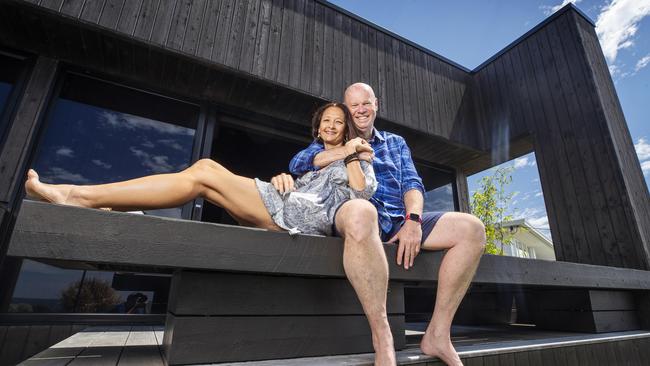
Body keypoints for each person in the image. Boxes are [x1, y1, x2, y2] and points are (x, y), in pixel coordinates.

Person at [281, 83, 486, 366]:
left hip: (399, 221)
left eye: (366, 103)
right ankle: (383, 339)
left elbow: (412, 185)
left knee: (472, 229)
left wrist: (413, 221)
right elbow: (299, 162)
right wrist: (346, 151)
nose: (361, 110)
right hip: (359, 217)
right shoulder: (335, 137)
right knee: (361, 213)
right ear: (346, 109)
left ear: (376, 104)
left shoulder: (395, 142)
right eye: (354, 105)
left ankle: (438, 333)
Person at [24, 102, 376, 237]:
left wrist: (351, 155)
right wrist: (286, 179)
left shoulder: (357, 153)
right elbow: (305, 166)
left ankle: (77, 195)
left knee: (206, 172)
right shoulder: (311, 158)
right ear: (318, 129)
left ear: (346, 129)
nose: (331, 125)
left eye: (338, 122)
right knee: (205, 170)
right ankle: (97, 201)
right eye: (326, 121)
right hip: (284, 202)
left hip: (300, 220)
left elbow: (361, 194)